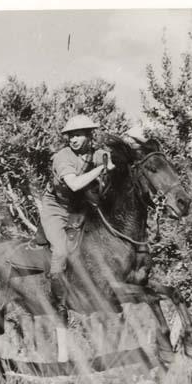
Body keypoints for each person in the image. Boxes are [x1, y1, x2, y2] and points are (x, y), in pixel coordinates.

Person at [40, 115, 115, 318]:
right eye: (70, 136)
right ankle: (57, 299)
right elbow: (74, 184)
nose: (72, 139)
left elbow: (112, 165)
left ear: (90, 136)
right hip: (56, 208)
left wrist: (110, 165)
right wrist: (101, 169)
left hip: (79, 208)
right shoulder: (62, 157)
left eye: (78, 135)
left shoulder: (96, 154)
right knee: (61, 250)